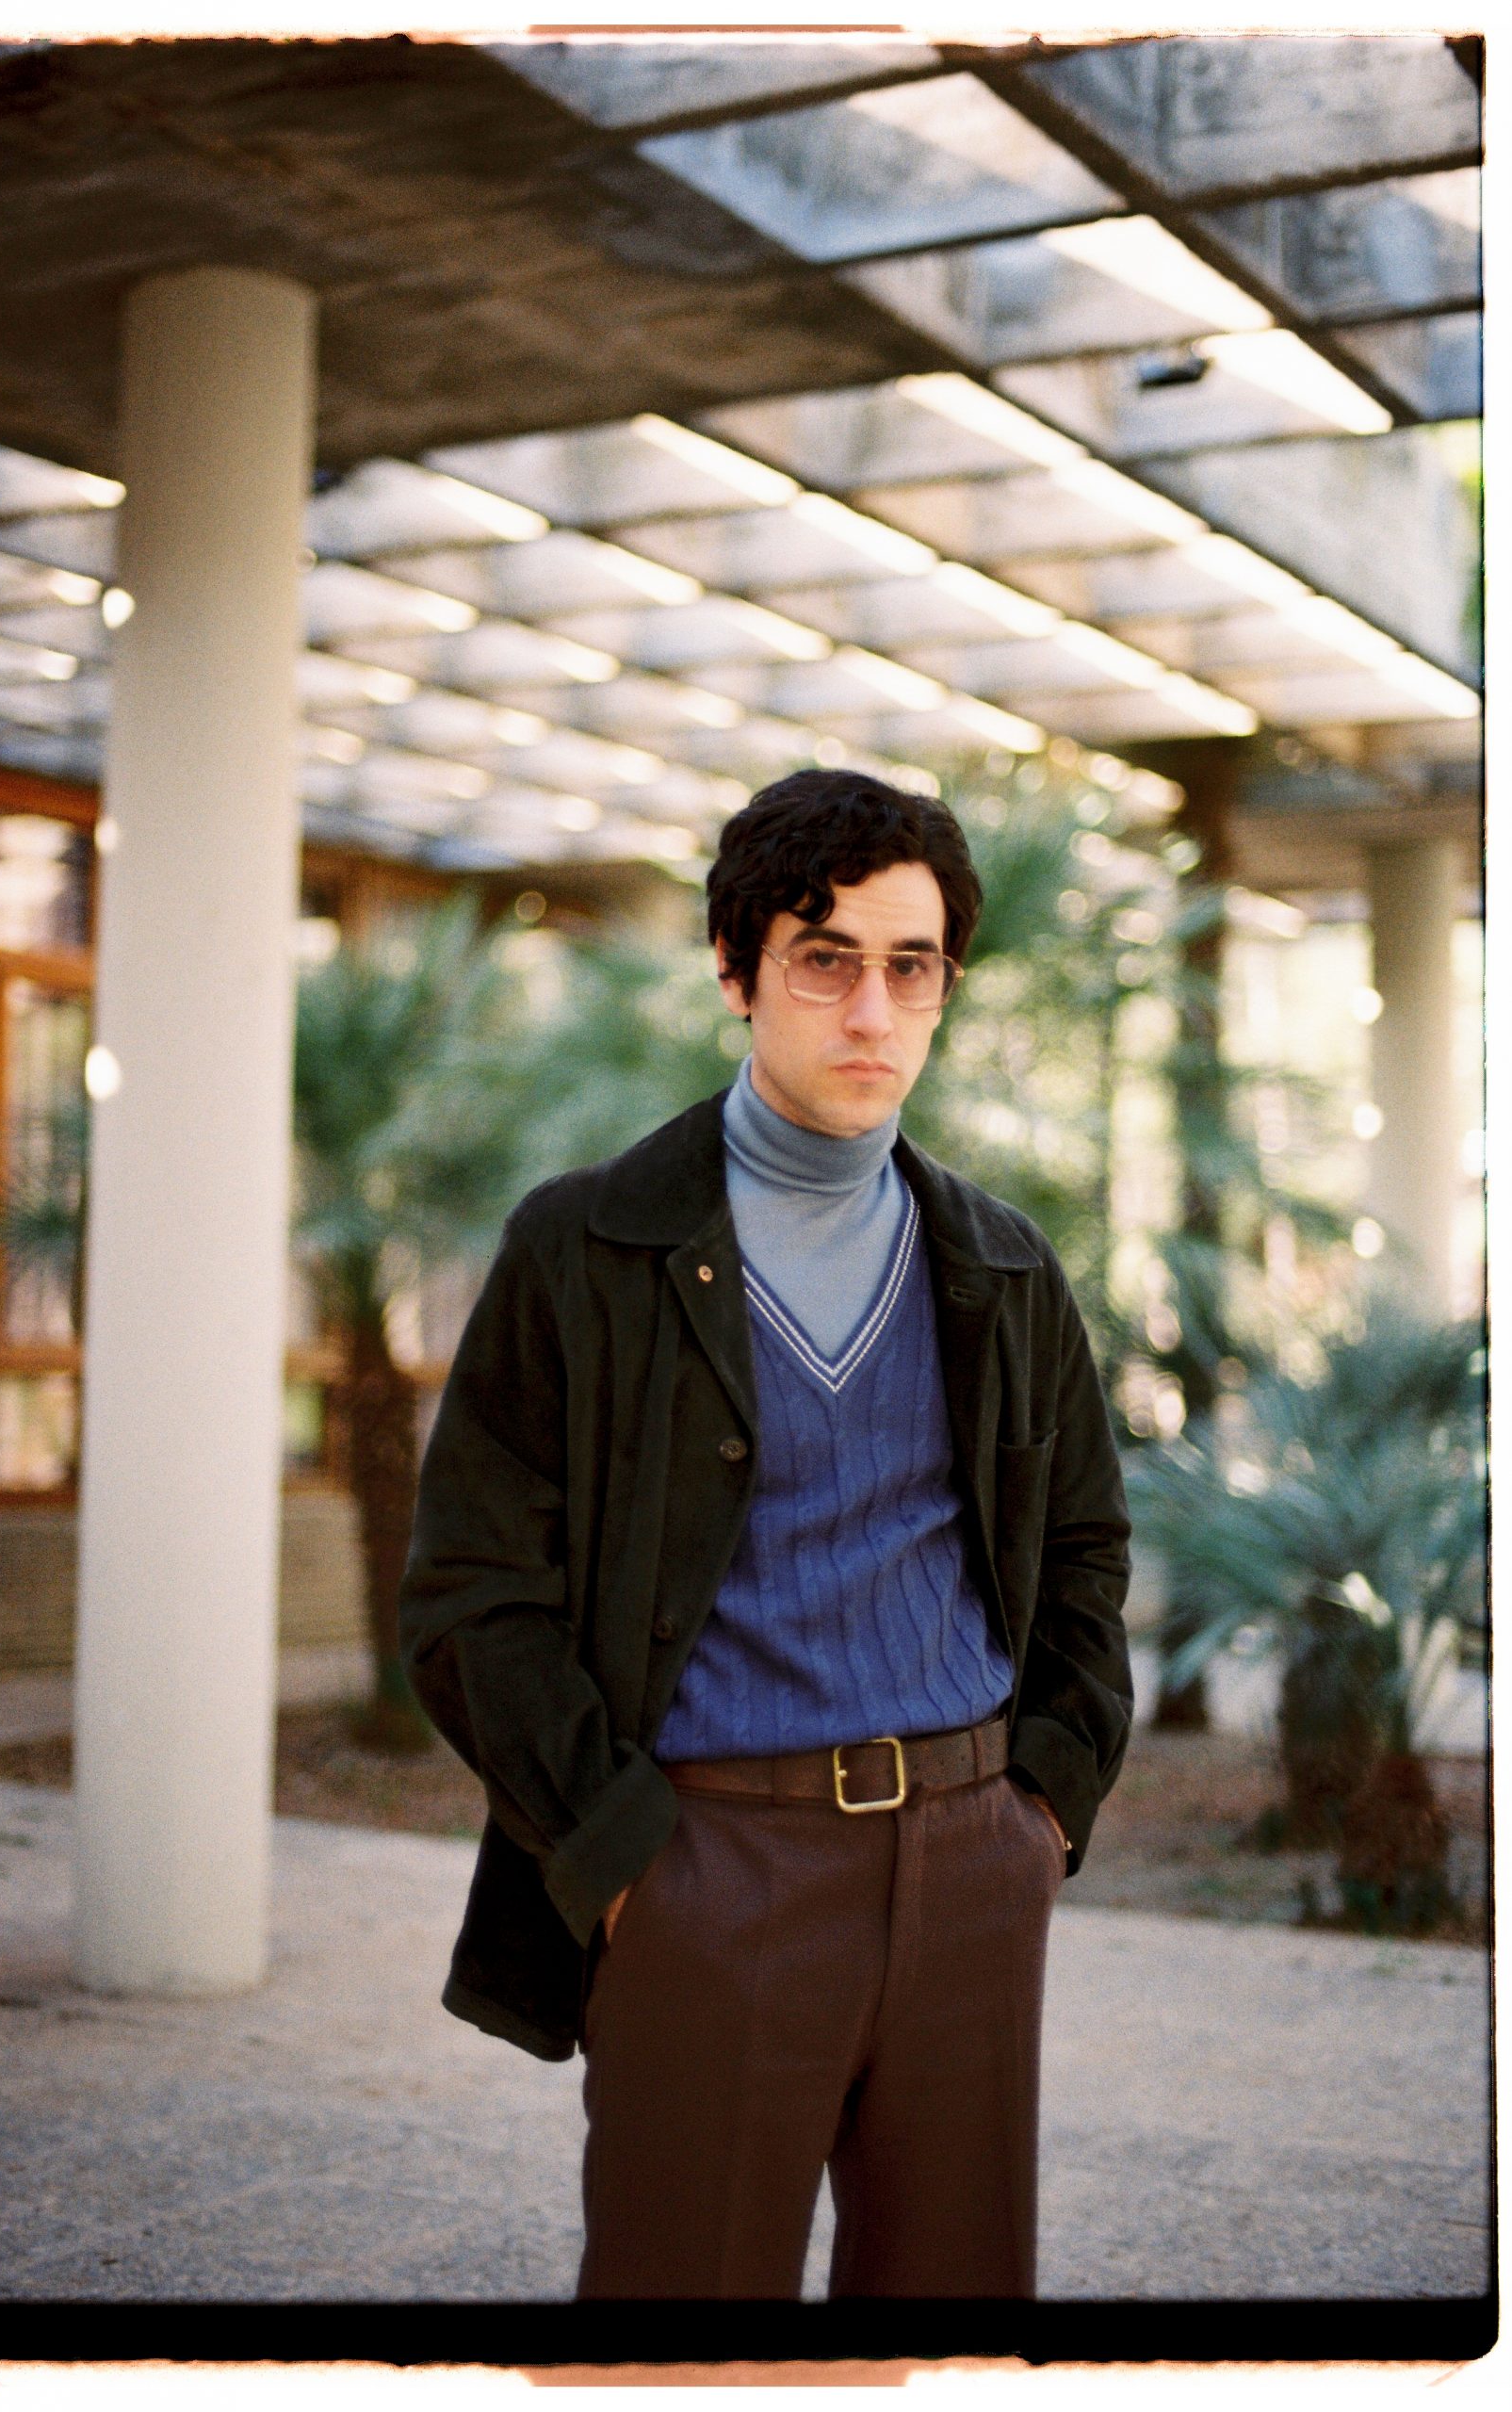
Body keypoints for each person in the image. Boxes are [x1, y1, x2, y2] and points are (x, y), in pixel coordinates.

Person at [399, 767, 1132, 2300]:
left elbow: (1083, 1551)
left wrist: (1044, 1809)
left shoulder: (1004, 1267)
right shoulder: (586, 1249)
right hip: (712, 1870)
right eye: (825, 959)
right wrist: (622, 1859)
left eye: (911, 967)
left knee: (950, 2335)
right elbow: (472, 1596)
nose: (872, 1011)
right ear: (737, 973)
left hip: (973, 1865)